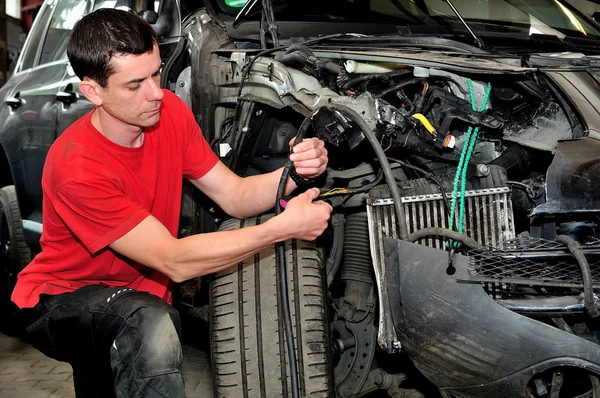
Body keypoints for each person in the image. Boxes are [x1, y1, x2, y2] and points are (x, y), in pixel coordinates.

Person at [11, 8, 331, 398]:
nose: (155, 93)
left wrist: (296, 173)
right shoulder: (76, 166)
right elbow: (173, 260)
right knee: (148, 321)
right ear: (93, 91)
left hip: (133, 299)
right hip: (60, 299)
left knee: (135, 332)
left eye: (156, 73)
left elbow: (234, 195)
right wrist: (280, 229)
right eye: (134, 85)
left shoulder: (169, 114)